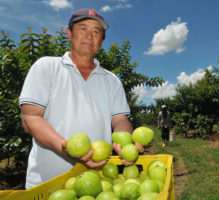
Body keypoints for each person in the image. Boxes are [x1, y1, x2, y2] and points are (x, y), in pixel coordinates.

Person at [19, 8, 143, 189]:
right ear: (69, 33)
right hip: (46, 184)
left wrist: (126, 142)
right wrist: (63, 146)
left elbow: (120, 120)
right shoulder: (46, 67)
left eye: (96, 31)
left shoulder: (112, 80)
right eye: (83, 28)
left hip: (97, 184)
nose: (89, 36)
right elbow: (30, 117)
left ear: (101, 40)